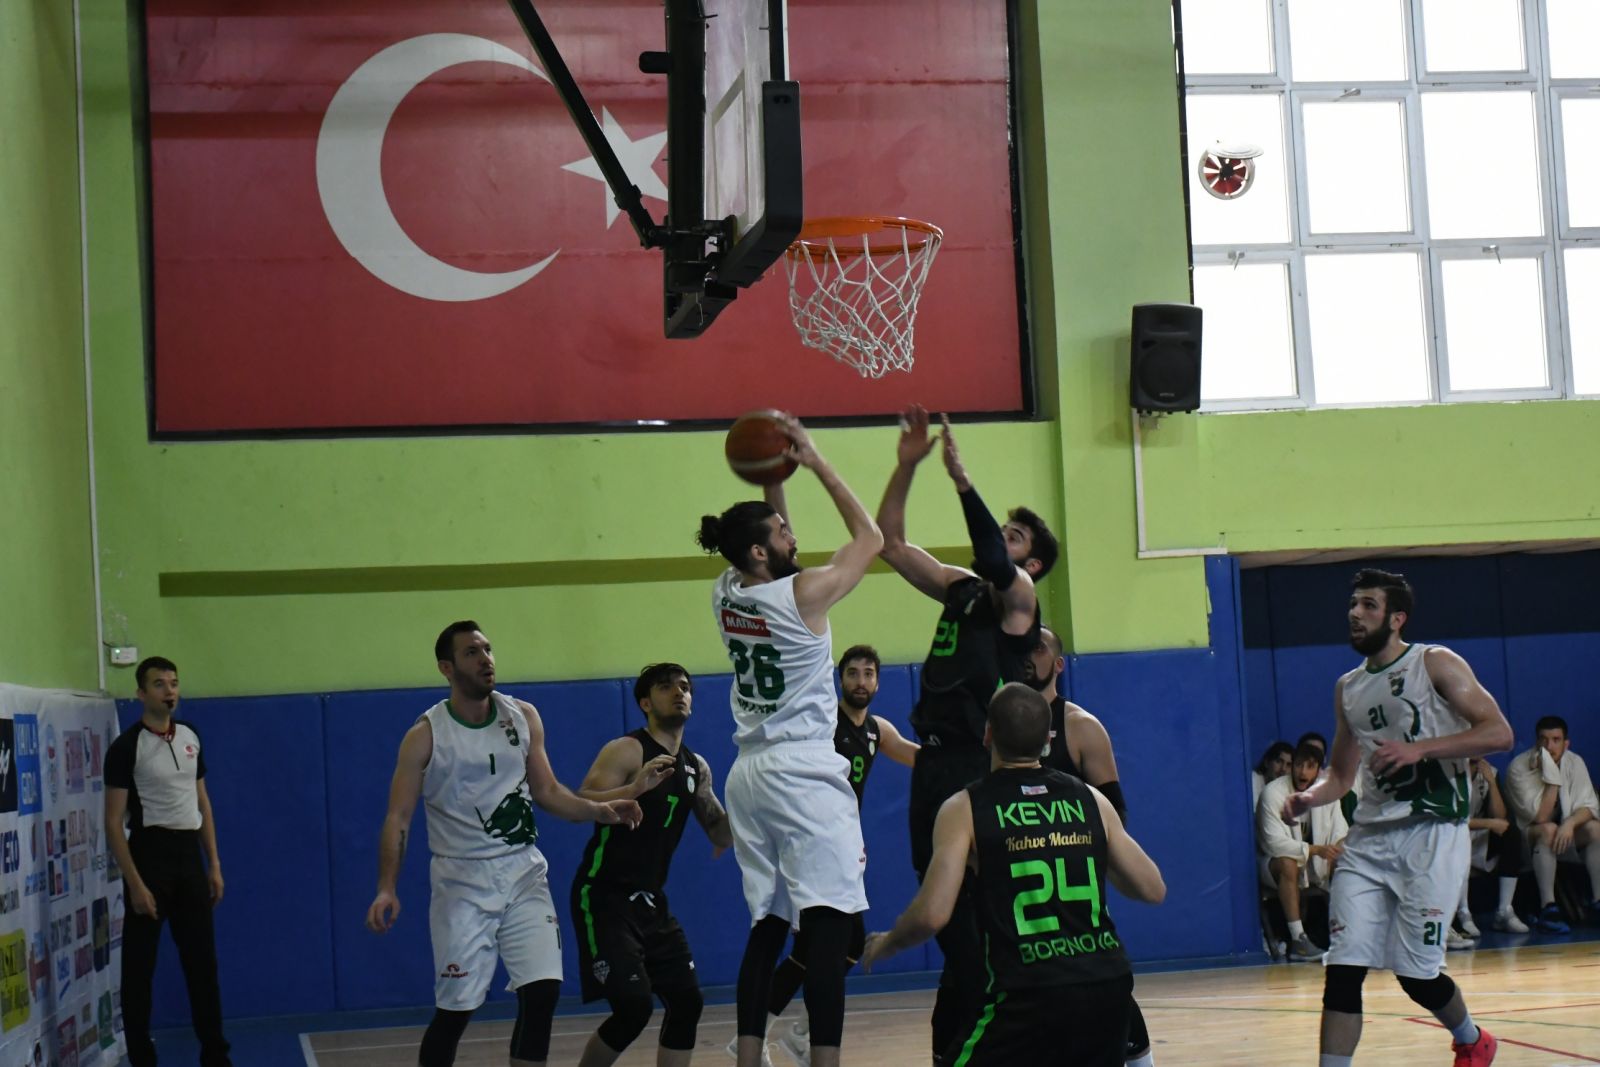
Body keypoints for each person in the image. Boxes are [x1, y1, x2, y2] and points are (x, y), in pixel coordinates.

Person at [364, 621, 643, 1067]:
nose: (485, 659)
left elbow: (548, 791)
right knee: (456, 1011)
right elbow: (398, 817)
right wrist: (386, 887)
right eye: (472, 652)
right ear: (447, 668)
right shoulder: (426, 735)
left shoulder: (522, 715)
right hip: (461, 880)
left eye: (488, 649)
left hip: (522, 871)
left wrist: (599, 810)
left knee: (543, 991)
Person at [697, 411, 883, 1067]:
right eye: (782, 531)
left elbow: (775, 553)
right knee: (829, 930)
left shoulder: (726, 591)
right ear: (759, 551)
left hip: (749, 774)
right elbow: (870, 537)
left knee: (771, 924)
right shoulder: (804, 597)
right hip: (803, 773)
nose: (792, 535)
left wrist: (775, 478)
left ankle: (748, 1055)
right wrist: (816, 460)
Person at [876, 403, 1057, 1063]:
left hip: (979, 769)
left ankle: (996, 1039)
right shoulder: (960, 588)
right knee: (950, 928)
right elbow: (891, 543)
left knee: (978, 930)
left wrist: (961, 480)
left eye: (1016, 536)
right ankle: (954, 1046)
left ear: (1034, 563)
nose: (1003, 539)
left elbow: (992, 557)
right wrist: (906, 466)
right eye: (1005, 530)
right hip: (934, 766)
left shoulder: (1020, 603)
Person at [860, 684, 1166, 1066]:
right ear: (1047, 741)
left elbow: (932, 915)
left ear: (988, 734)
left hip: (1027, 991)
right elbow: (1153, 888)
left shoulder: (965, 807)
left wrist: (888, 943)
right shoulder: (1092, 799)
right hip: (1107, 985)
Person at [1282, 568, 1512, 1067]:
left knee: (1417, 976)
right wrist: (1309, 798)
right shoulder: (1347, 687)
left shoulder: (1434, 663)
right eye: (1353, 604)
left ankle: (1473, 1039)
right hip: (1368, 843)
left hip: (1432, 836)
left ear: (1396, 618)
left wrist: (1421, 749)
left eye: (1368, 605)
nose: (1355, 613)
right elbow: (1342, 775)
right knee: (1343, 970)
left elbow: (1499, 733)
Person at [758, 644, 919, 1066]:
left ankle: (786, 1033)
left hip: (842, 850)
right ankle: (778, 1035)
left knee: (831, 948)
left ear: (878, 682)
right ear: (839, 679)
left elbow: (918, 757)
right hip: (809, 850)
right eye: (852, 673)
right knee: (829, 944)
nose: (860, 681)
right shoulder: (823, 722)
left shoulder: (877, 730)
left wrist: (965, 756)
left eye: (868, 673)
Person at [569, 662, 734, 1067]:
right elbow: (581, 801)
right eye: (665, 687)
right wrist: (634, 788)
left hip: (650, 901)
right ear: (645, 702)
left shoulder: (696, 767)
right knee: (633, 1006)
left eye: (684, 687)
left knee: (687, 1002)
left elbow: (720, 834)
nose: (679, 692)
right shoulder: (627, 749)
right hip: (604, 896)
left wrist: (757, 803)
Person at [1027, 626, 1156, 1066]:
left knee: (1098, 982)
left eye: (1039, 648)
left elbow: (1115, 813)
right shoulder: (998, 726)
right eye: (1023, 647)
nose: (1029, 655)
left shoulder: (1080, 726)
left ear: (1059, 664)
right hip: (1018, 887)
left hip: (1070, 889)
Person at [105, 656, 231, 1067]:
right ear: (141, 693)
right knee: (139, 970)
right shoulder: (126, 747)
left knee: (202, 965)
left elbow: (203, 803)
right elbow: (113, 822)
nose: (169, 691)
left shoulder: (190, 736)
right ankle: (142, 1058)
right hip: (149, 856)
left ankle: (216, 1055)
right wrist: (135, 884)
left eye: (174, 683)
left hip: (189, 859)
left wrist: (213, 864)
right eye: (159, 684)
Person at [1502, 715, 1600, 933]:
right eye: (1544, 739)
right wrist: (1552, 777)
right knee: (1548, 829)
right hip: (1526, 844)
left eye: (1556, 740)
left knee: (1595, 829)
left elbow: (1589, 807)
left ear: (1566, 743)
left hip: (1563, 837)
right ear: (1536, 742)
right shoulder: (1518, 768)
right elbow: (1541, 817)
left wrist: (1570, 824)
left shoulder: (1574, 761)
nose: (1549, 746)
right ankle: (1548, 906)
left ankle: (1597, 901)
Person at [1257, 741, 1347, 960]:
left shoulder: (1328, 792)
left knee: (1347, 858)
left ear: (1318, 771)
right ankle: (1299, 940)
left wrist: (1341, 849)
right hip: (1272, 865)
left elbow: (1340, 833)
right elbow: (1273, 843)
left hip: (1316, 864)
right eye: (1298, 765)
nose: (1302, 772)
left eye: (1309, 766)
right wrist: (1314, 850)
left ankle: (1347, 934)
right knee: (1287, 862)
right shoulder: (1272, 793)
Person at [1453, 757, 1530, 938]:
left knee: (1511, 832)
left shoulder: (1489, 771)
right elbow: (1450, 820)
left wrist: (1492, 783)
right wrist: (1488, 823)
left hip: (1476, 834)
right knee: (1459, 836)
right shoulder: (1450, 770)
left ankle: (1504, 911)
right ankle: (1463, 913)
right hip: (1452, 834)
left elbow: (1499, 816)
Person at [1253, 741, 1294, 812]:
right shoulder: (1253, 780)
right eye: (1279, 761)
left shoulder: (1287, 790)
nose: (1283, 769)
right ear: (1267, 762)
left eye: (1288, 765)